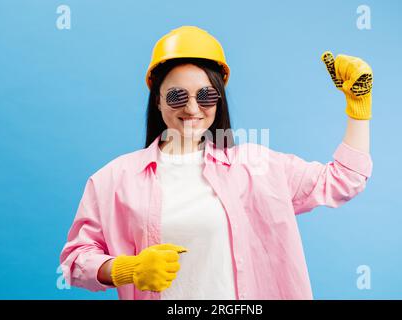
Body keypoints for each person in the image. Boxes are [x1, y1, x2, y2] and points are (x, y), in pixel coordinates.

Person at [59, 25, 373, 300]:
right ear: (157, 100)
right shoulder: (113, 180)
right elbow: (74, 261)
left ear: (218, 99)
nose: (193, 108)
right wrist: (127, 269)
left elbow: (344, 179)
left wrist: (358, 108)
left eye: (206, 96)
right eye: (177, 97)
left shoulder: (258, 167)